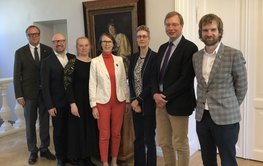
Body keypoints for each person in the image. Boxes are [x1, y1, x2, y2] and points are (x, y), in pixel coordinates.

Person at [192, 14, 248, 166]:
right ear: (201, 33)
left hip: (226, 118)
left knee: (228, 159)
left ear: (220, 32)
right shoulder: (196, 57)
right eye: (205, 30)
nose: (209, 33)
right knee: (207, 158)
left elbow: (242, 86)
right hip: (202, 117)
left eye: (213, 29)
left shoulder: (233, 54)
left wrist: (230, 106)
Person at [152, 11, 198, 166]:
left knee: (180, 143)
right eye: (168, 24)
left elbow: (185, 79)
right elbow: (154, 75)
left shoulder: (190, 47)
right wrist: (154, 95)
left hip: (178, 103)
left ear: (181, 26)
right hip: (160, 103)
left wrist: (163, 96)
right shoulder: (162, 47)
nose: (171, 28)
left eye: (174, 24)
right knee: (164, 142)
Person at [13, 25, 55, 165]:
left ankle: (44, 148)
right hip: (28, 95)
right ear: (27, 36)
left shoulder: (48, 50)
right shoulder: (20, 52)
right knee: (30, 124)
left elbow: (51, 73)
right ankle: (32, 150)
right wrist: (19, 95)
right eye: (30, 34)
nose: (34, 36)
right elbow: (16, 75)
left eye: (36, 34)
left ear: (39, 34)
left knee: (44, 122)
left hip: (45, 94)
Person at [89, 32, 130, 166]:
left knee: (116, 133)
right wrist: (93, 106)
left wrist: (128, 100)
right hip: (102, 104)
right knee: (104, 134)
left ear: (113, 44)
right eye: (104, 42)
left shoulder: (119, 60)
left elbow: (124, 81)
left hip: (119, 102)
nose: (107, 44)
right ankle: (105, 162)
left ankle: (114, 160)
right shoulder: (95, 61)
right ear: (100, 45)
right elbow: (92, 84)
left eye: (109, 42)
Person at [64, 37, 99, 166]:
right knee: (78, 130)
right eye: (80, 46)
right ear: (76, 47)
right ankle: (79, 158)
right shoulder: (71, 63)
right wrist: (72, 104)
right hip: (77, 102)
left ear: (90, 47)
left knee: (90, 129)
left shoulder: (95, 62)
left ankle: (88, 157)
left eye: (86, 45)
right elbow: (67, 85)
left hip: (92, 102)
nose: (83, 48)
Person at [41, 33, 75, 166]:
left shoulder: (73, 58)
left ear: (65, 42)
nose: (58, 43)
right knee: (59, 131)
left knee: (71, 131)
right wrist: (49, 106)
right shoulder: (46, 62)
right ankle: (61, 157)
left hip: (73, 103)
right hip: (57, 104)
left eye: (61, 41)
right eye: (55, 42)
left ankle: (70, 156)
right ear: (52, 44)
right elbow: (45, 86)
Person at [128, 25, 157, 166]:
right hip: (135, 106)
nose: (141, 38)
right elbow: (130, 81)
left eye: (144, 36)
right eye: (139, 36)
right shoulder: (133, 58)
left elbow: (152, 83)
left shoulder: (155, 57)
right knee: (138, 138)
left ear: (149, 38)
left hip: (149, 105)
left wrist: (139, 100)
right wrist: (134, 101)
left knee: (149, 139)